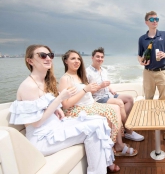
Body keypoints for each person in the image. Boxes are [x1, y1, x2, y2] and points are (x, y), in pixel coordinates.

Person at [9, 44, 119, 173]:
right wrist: (59, 100)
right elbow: (36, 122)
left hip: (56, 127)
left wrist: (56, 108)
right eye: (42, 55)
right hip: (43, 138)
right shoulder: (29, 86)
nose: (48, 58)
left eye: (50, 55)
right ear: (30, 60)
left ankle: (106, 163)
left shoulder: (43, 82)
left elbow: (44, 106)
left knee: (100, 121)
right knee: (94, 128)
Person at [59, 50, 138, 158]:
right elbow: (66, 105)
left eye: (78, 59)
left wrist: (101, 88)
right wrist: (86, 90)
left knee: (115, 108)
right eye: (73, 58)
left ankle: (118, 143)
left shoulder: (79, 76)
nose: (77, 61)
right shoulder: (65, 78)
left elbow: (86, 93)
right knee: (113, 110)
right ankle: (118, 143)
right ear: (65, 61)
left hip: (89, 104)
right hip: (78, 109)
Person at [86, 47, 144, 141]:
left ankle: (119, 125)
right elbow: (87, 92)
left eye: (102, 57)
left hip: (108, 94)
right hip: (98, 98)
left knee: (129, 98)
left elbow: (106, 84)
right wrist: (100, 86)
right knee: (119, 103)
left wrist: (110, 89)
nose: (100, 59)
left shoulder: (104, 70)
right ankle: (128, 131)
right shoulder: (87, 72)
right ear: (92, 58)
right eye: (97, 57)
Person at [138, 10, 165, 140]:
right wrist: (140, 61)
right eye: (152, 20)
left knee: (164, 99)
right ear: (146, 22)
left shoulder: (164, 35)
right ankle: (150, 124)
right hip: (147, 73)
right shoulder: (142, 39)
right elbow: (139, 55)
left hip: (161, 72)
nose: (155, 22)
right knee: (148, 99)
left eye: (157, 19)